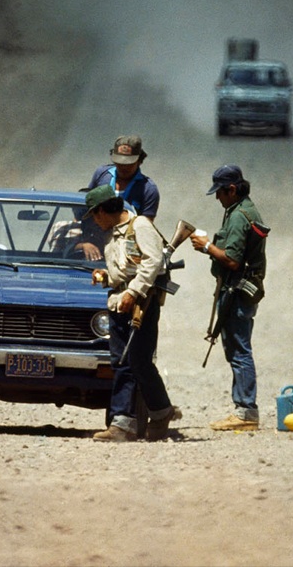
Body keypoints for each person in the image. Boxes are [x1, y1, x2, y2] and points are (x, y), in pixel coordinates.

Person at [85, 184, 179, 442]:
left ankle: (140, 419)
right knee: (122, 362)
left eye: (95, 214)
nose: (95, 220)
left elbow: (153, 262)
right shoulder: (111, 235)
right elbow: (122, 271)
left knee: (136, 361)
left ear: (105, 210)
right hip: (118, 304)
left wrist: (133, 292)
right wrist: (105, 277)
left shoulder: (140, 227)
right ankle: (144, 417)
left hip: (140, 305)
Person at [191, 164, 268, 431]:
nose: (217, 198)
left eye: (220, 192)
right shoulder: (241, 210)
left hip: (236, 291)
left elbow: (233, 260)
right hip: (238, 290)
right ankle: (244, 409)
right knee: (238, 348)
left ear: (232, 189)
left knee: (239, 350)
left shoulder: (238, 217)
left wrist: (206, 247)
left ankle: (246, 412)